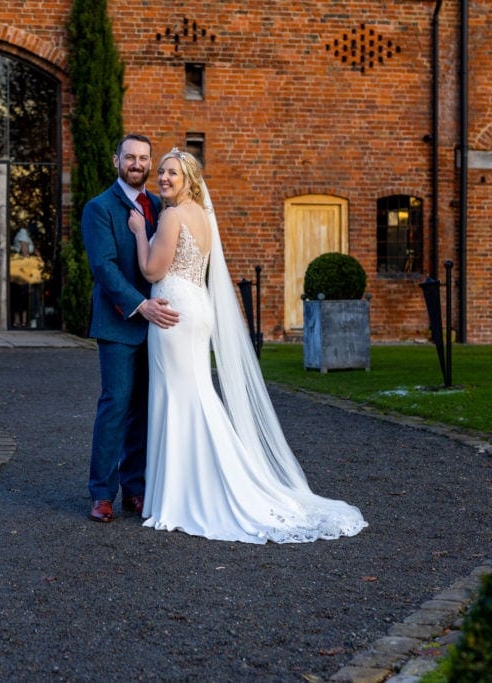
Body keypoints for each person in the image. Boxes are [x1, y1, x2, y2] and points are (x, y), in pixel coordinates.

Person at [127, 148, 367, 543]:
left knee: (179, 397)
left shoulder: (171, 216)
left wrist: (140, 233)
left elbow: (152, 269)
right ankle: (193, 483)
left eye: (172, 173)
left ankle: (184, 493)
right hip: (195, 307)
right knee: (195, 394)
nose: (164, 178)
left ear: (189, 178)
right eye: (163, 172)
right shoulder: (203, 216)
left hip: (172, 312)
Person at [81, 134, 179, 523]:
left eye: (143, 158)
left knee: (144, 410)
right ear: (115, 160)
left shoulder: (159, 206)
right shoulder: (99, 208)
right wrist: (141, 306)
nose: (137, 164)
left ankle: (135, 489)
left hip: (158, 326)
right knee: (115, 406)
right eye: (129, 157)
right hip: (120, 322)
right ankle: (101, 494)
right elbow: (103, 266)